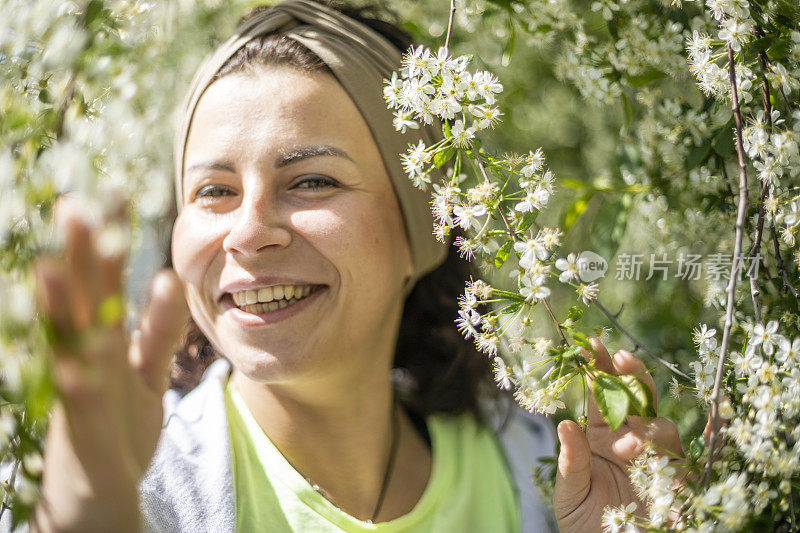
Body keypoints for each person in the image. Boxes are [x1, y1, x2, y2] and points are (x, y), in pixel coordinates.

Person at [23, 1, 683, 532]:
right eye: (214, 191)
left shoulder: (544, 475)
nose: (247, 233)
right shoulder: (140, 493)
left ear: (424, 223)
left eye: (311, 181)